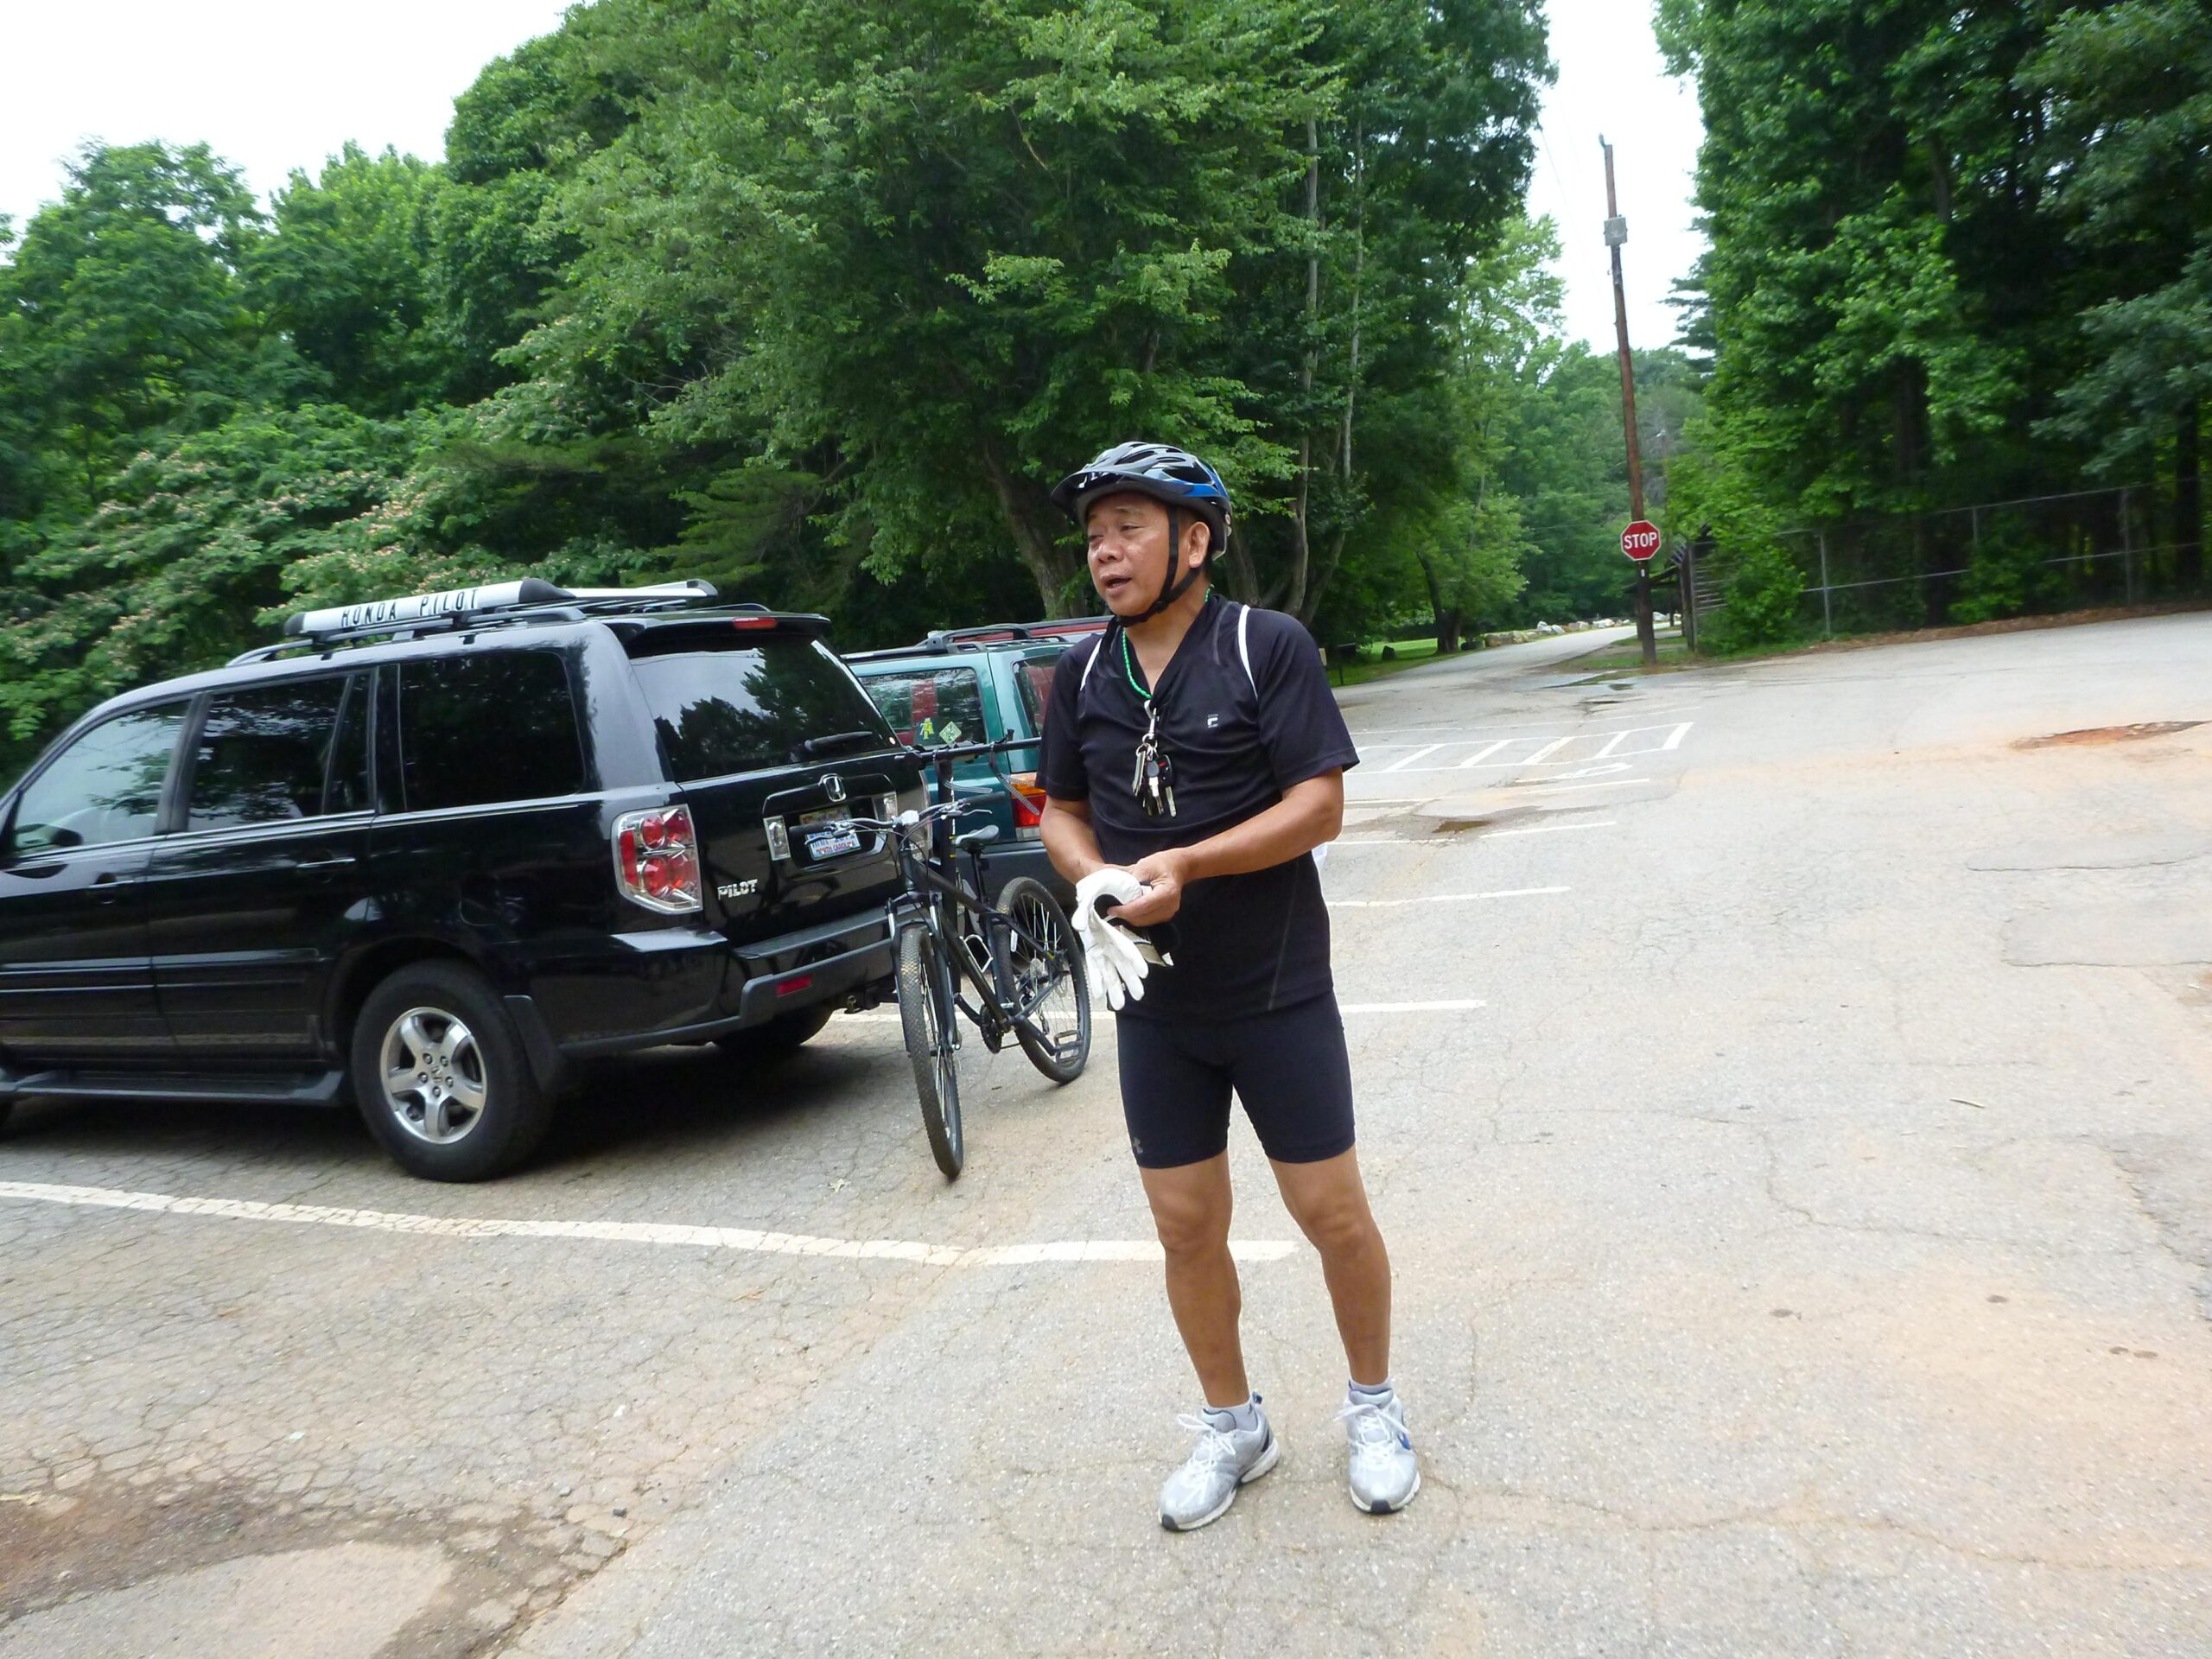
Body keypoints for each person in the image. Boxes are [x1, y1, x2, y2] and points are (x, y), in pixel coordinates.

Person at [1038, 440, 1419, 1531]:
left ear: (1193, 541)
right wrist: (1095, 875)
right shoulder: (1083, 675)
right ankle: (1232, 1426)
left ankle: (1374, 1408)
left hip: (1276, 991)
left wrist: (1190, 863)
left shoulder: (1265, 646)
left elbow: (1320, 805)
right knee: (1184, 1224)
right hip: (1156, 1003)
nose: (1105, 553)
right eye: (1096, 534)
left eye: (1130, 529)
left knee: (1329, 1212)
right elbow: (1061, 806)